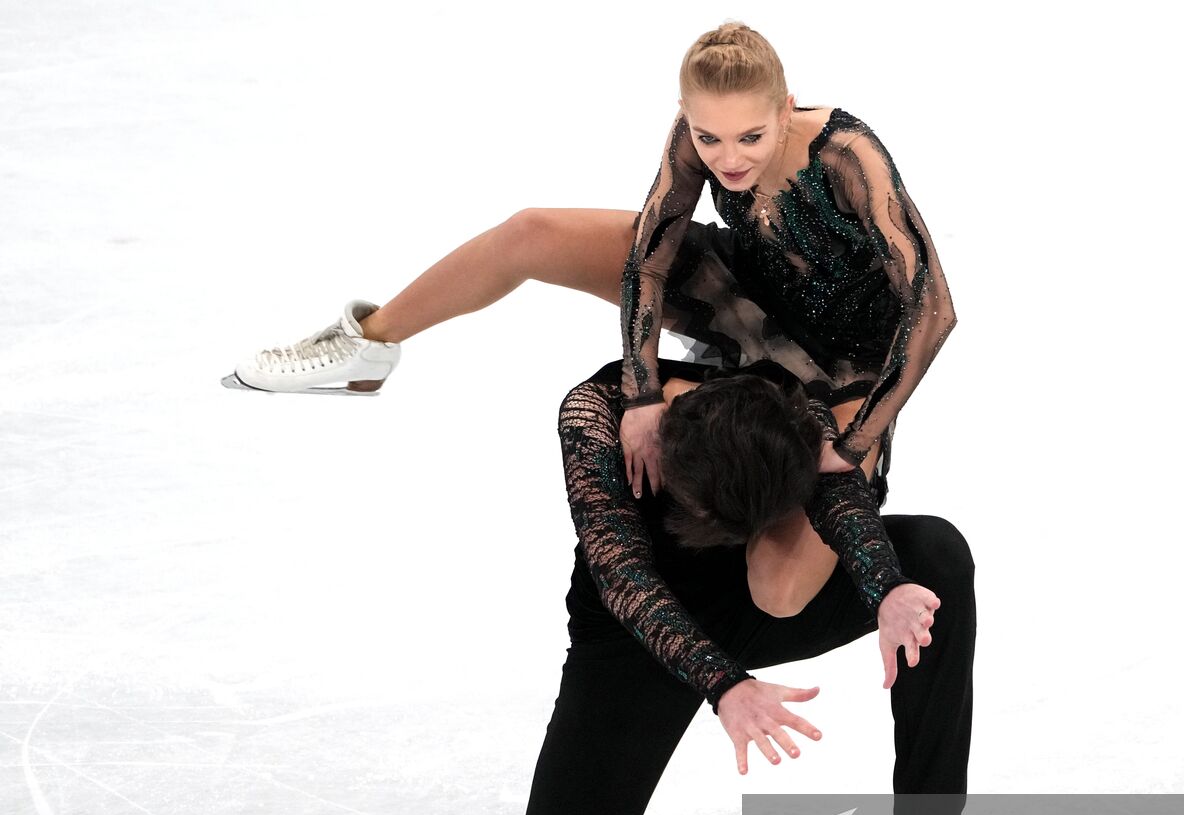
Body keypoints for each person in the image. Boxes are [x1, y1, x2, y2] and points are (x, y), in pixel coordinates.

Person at [220, 21, 957, 508]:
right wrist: (638, 395)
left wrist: (858, 439)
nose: (727, 160)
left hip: (851, 356)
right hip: (745, 292)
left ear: (787, 105)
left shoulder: (845, 152)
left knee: (806, 546)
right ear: (685, 113)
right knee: (531, 231)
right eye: (709, 138)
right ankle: (366, 346)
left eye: (751, 137)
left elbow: (933, 307)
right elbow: (649, 259)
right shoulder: (692, 137)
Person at [517, 356, 1013, 815]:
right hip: (635, 629)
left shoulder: (784, 397)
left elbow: (839, 496)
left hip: (757, 600)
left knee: (934, 557)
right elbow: (622, 576)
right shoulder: (597, 415)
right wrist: (724, 684)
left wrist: (887, 588)